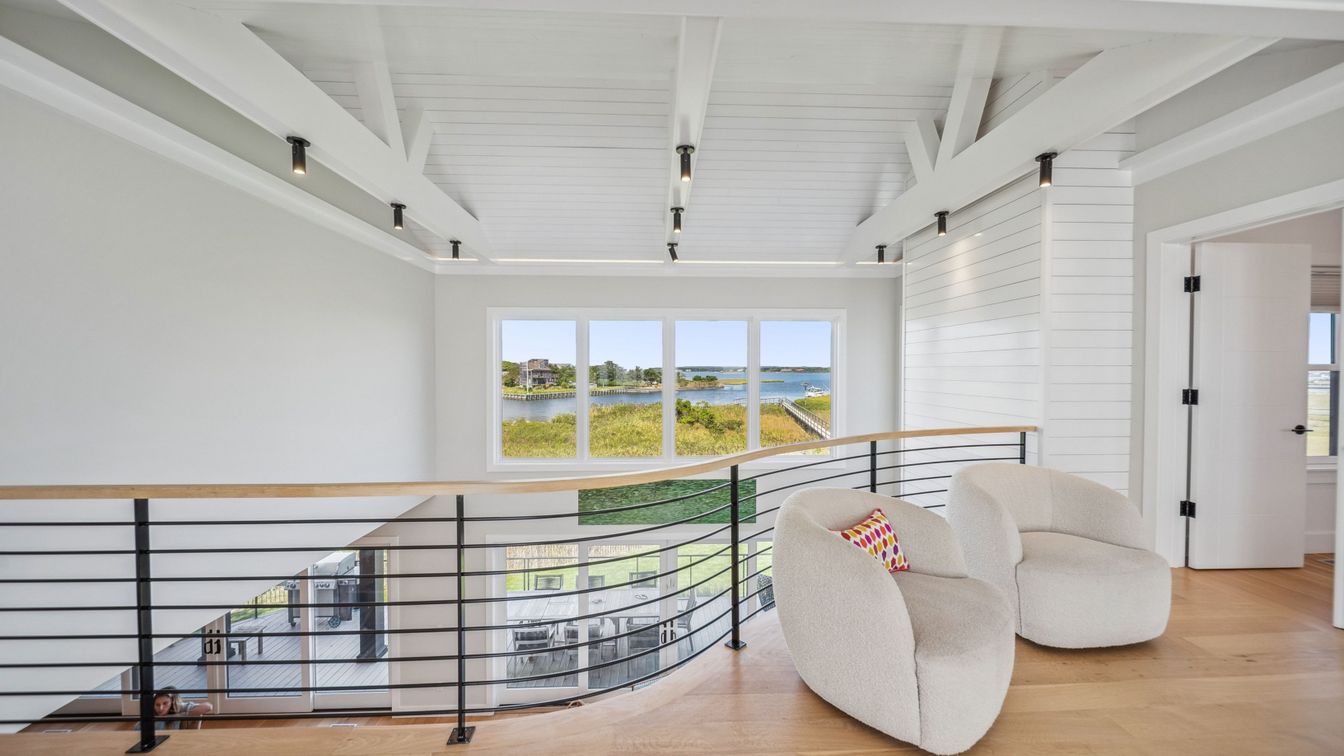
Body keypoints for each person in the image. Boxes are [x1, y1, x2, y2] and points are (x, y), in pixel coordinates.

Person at [148, 686, 213, 730]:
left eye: (165, 703)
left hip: (183, 737)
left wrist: (179, 716)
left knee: (197, 713)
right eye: (157, 705)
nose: (161, 708)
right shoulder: (151, 712)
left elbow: (208, 707)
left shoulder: (180, 706)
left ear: (173, 702)